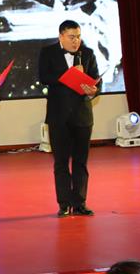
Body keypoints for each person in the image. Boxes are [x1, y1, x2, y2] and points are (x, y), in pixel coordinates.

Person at [37, 20, 100, 217]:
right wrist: (70, 74)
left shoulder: (87, 53)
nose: (76, 41)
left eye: (78, 37)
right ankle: (64, 204)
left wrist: (94, 90)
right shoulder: (48, 52)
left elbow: (96, 79)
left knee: (81, 162)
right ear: (61, 36)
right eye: (72, 37)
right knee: (61, 162)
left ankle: (80, 203)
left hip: (82, 116)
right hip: (58, 116)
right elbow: (44, 77)